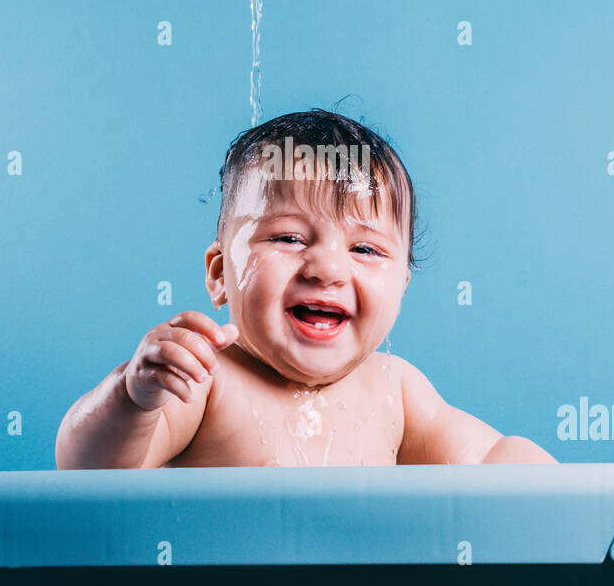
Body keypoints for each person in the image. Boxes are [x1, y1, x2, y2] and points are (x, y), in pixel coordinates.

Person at [56, 108, 557, 468]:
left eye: (365, 249)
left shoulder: (395, 390)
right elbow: (88, 471)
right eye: (289, 237)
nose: (326, 268)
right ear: (219, 274)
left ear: (402, 285)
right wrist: (132, 398)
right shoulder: (206, 380)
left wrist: (565, 493)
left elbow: (492, 462)